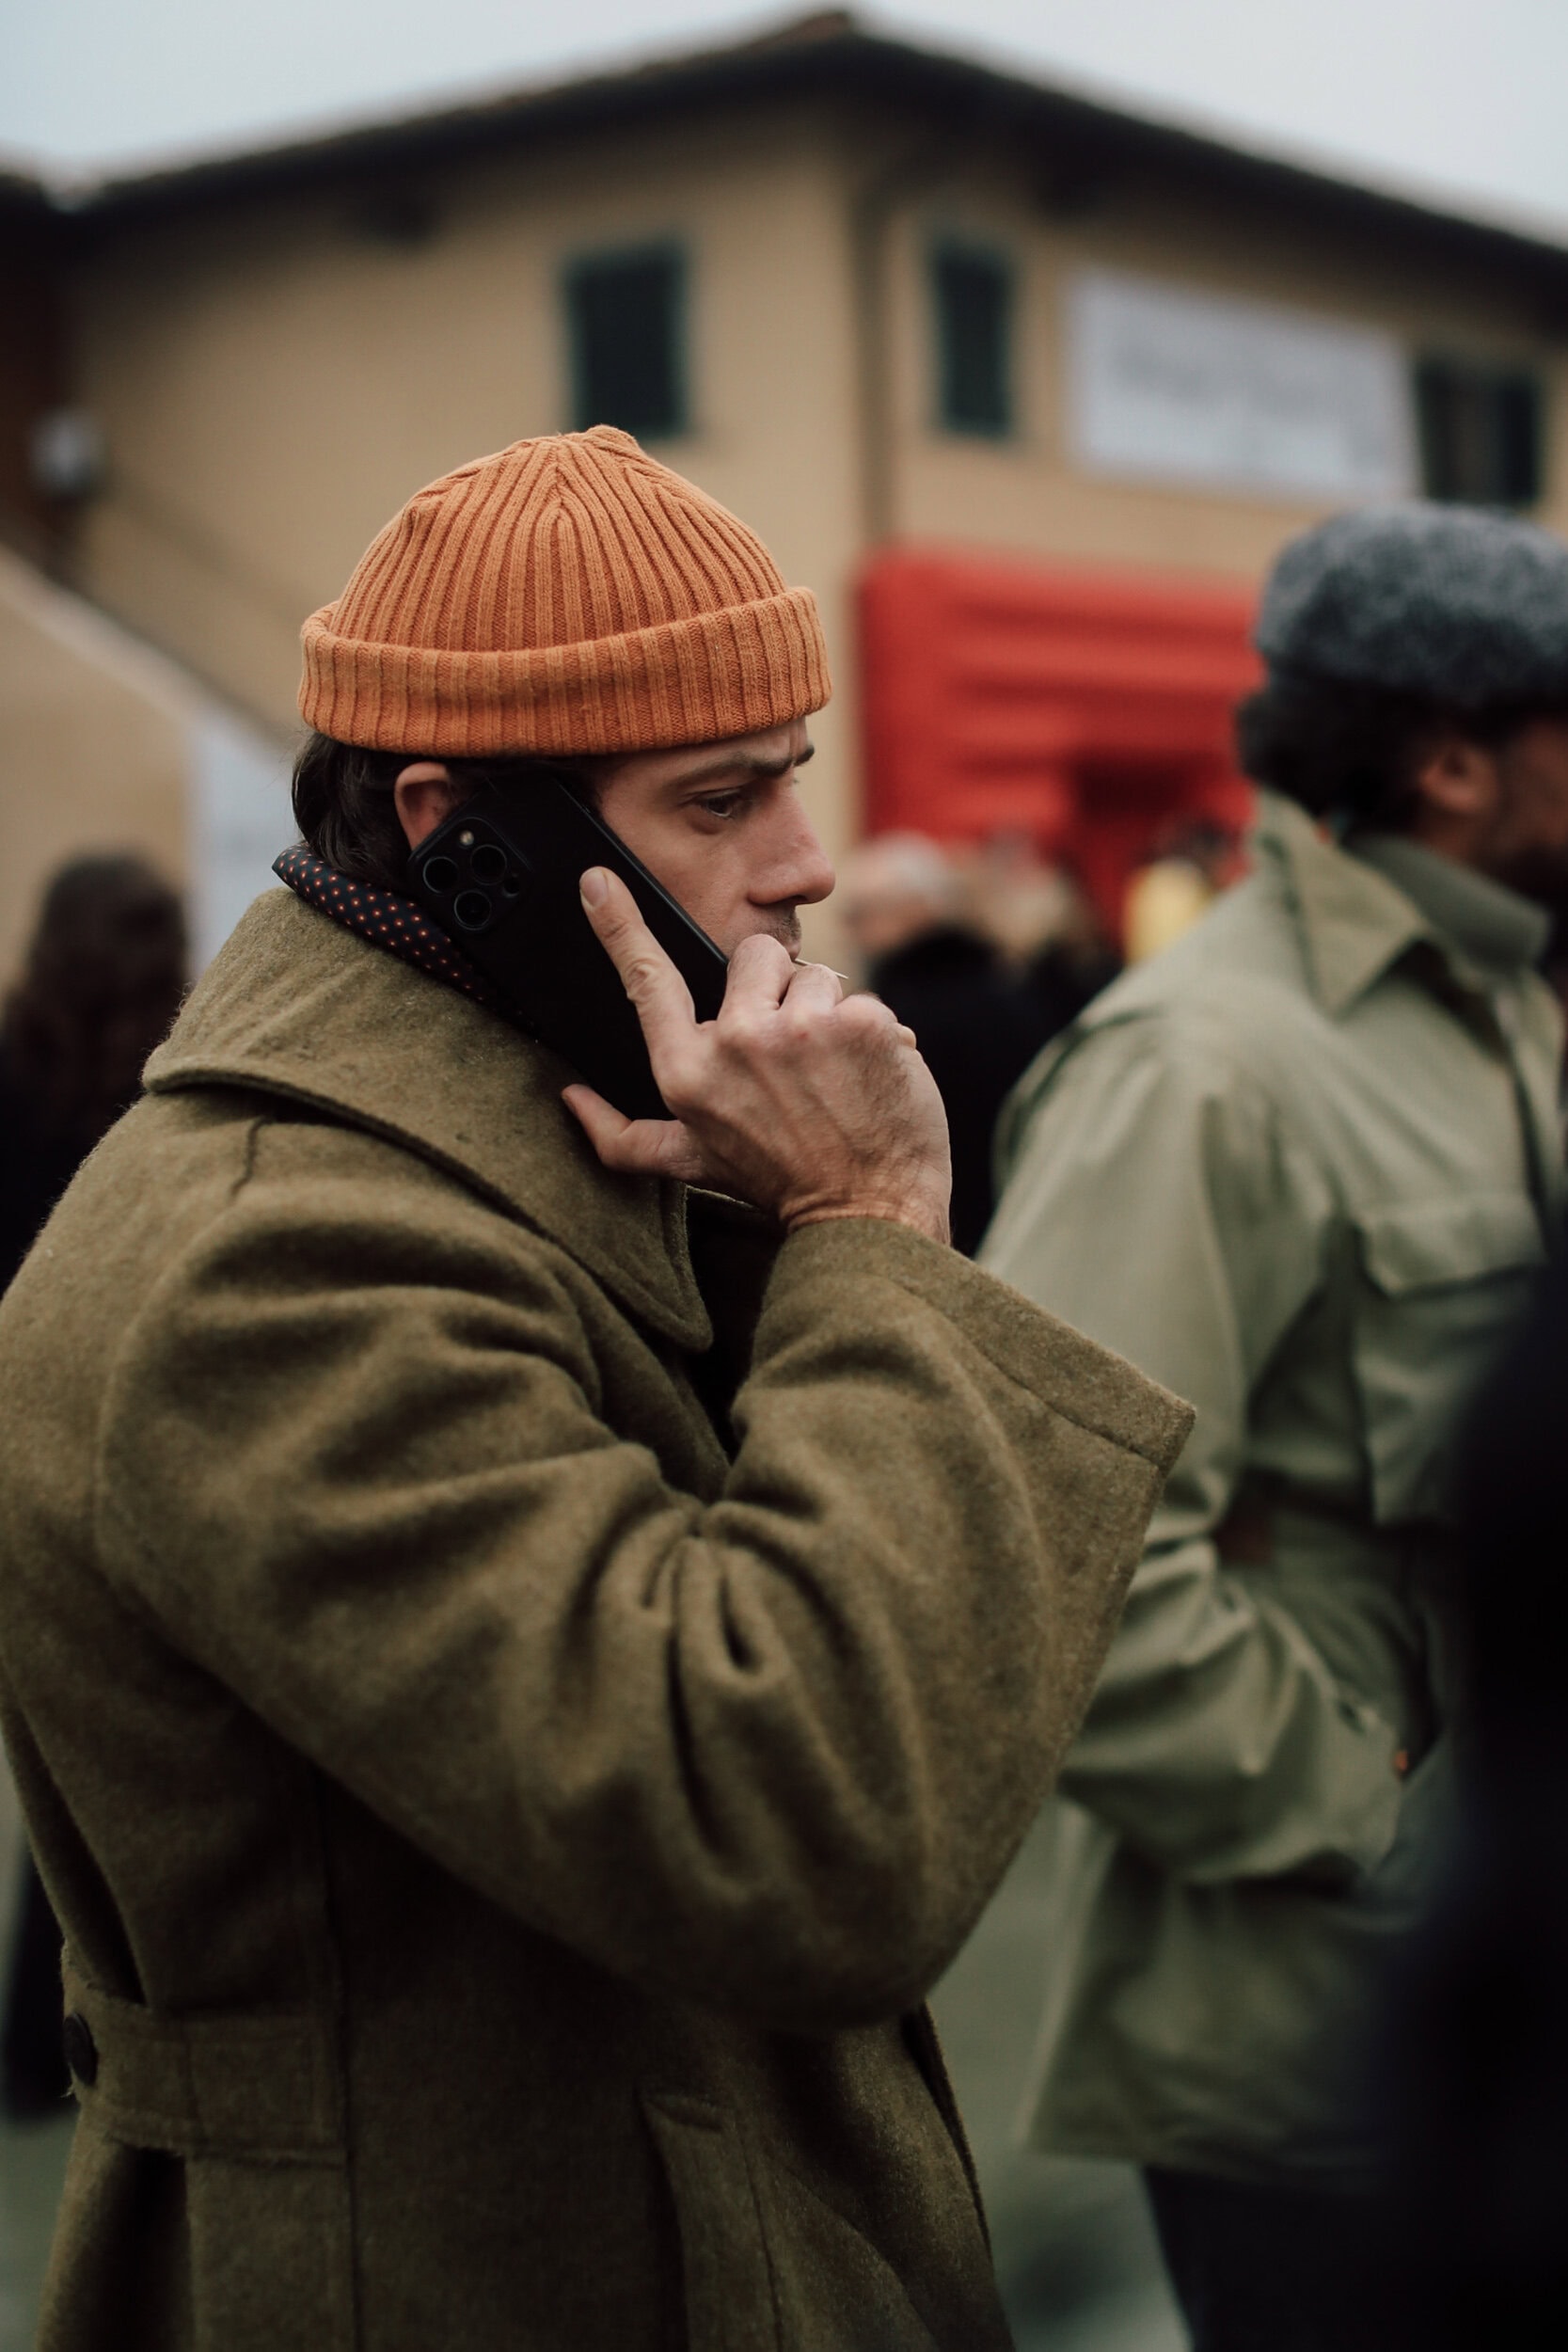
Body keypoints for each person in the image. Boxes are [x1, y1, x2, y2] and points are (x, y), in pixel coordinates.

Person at [0, 427, 1191, 2352]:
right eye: (723, 797)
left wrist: (767, 1242)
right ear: (454, 835)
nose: (803, 861)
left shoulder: (538, 1135)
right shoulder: (273, 1260)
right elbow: (795, 1827)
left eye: (789, 777)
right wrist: (865, 1219)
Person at [980, 501, 1568, 2352]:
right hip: (1302, 2049)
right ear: (1453, 756)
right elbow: (1049, 1558)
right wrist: (1388, 1835)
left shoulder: (1512, 1011)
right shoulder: (1193, 1066)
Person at [0, 856, 186, 2119]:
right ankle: (47, 2042)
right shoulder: (167, 1090)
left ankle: (25, 2053)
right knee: (86, 1766)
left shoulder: (7, 1064)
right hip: (106, 1431)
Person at [838, 833, 1062, 1252]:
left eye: (861, 914)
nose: (852, 932)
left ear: (918, 908)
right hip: (1020, 1228)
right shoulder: (1009, 989)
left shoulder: (894, 1016)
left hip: (936, 1237)